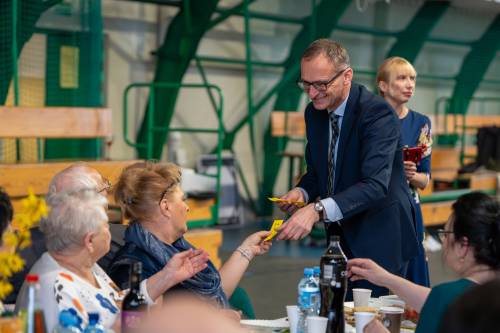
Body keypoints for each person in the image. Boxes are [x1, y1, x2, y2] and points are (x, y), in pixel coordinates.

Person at [277, 38, 418, 297]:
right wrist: (303, 193)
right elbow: (319, 170)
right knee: (339, 313)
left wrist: (315, 211)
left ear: (347, 76)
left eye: (321, 84)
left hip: (380, 236)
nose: (312, 93)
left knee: (372, 319)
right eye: (306, 84)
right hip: (340, 236)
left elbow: (375, 185)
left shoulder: (377, 114)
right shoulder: (314, 113)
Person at [15, 190, 209, 332]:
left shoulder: (84, 266)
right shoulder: (54, 287)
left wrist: (167, 276)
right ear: (89, 241)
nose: (113, 232)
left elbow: (114, 303)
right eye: (105, 227)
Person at [108, 161, 272, 307]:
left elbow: (215, 295)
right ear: (166, 207)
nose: (187, 207)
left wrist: (247, 250)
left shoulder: (174, 248)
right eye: (183, 199)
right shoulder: (133, 267)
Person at [349, 191, 500, 333]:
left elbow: (440, 300)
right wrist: (385, 278)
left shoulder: (448, 297)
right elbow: (432, 298)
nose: (444, 242)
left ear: (463, 246)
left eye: (446, 234)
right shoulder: (482, 294)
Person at [5, 163, 111, 304]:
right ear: (89, 239)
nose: (107, 197)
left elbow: (115, 301)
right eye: (103, 188)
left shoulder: (82, 259)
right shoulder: (57, 279)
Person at [376, 56, 432, 287]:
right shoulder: (368, 121)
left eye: (412, 79)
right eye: (401, 78)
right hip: (377, 210)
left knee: (414, 280)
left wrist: (411, 175)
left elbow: (425, 180)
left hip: (410, 210)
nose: (410, 84)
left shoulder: (421, 123)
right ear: (383, 85)